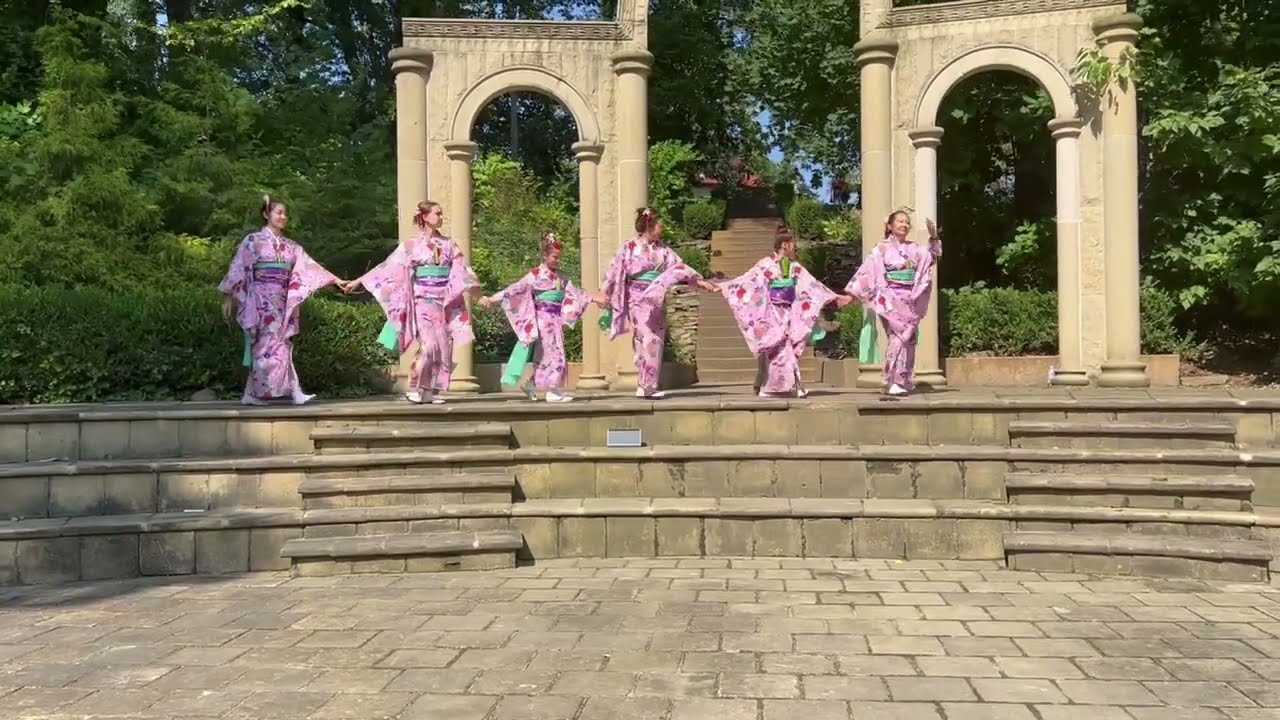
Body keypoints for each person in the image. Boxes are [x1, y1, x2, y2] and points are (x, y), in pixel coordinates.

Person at [346, 201, 481, 404]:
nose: (441, 217)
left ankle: (430, 390)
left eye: (441, 213)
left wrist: (479, 294)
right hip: (422, 301)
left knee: (442, 347)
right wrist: (359, 281)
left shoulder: (449, 244)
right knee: (428, 346)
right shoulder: (411, 245)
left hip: (442, 302)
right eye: (437, 213)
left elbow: (463, 271)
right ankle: (414, 387)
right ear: (425, 217)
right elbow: (388, 267)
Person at [219, 195, 343, 406]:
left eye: (285, 213)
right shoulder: (253, 242)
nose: (283, 217)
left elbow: (310, 267)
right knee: (274, 345)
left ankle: (251, 393)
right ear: (266, 214)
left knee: (272, 344)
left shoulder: (290, 246)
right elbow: (238, 268)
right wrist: (229, 296)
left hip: (282, 299)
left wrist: (336, 280)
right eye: (279, 212)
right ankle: (294, 392)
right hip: (260, 300)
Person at [596, 207, 718, 399]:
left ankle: (646, 384)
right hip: (637, 300)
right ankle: (646, 385)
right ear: (649, 226)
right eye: (660, 225)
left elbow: (679, 269)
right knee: (648, 339)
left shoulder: (664, 251)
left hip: (656, 301)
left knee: (654, 341)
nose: (662, 229)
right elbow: (613, 270)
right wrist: (604, 291)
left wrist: (700, 282)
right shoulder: (629, 248)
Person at [722, 224, 852, 398]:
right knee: (779, 349)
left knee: (792, 347)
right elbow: (747, 281)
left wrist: (834, 298)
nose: (794, 248)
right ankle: (775, 387)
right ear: (785, 245)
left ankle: (788, 385)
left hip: (791, 312)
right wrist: (724, 286)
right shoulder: (766, 265)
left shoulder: (796, 268)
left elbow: (813, 286)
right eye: (793, 244)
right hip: (771, 312)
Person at [479, 233, 590, 403]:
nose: (557, 261)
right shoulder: (535, 275)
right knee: (553, 354)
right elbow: (514, 289)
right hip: (542, 319)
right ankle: (553, 390)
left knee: (550, 354)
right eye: (554, 257)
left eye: (559, 258)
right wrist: (492, 298)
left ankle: (532, 384)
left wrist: (594, 298)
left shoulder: (562, 277)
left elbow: (576, 293)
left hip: (555, 320)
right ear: (545, 256)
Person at [844, 210, 943, 397]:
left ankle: (904, 378)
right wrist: (852, 295)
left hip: (910, 298)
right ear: (890, 226)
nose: (904, 225)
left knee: (909, 340)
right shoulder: (880, 249)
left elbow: (933, 256)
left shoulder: (915, 248)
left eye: (907, 222)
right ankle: (891, 380)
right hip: (890, 297)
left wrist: (934, 237)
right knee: (897, 338)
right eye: (900, 221)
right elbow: (867, 273)